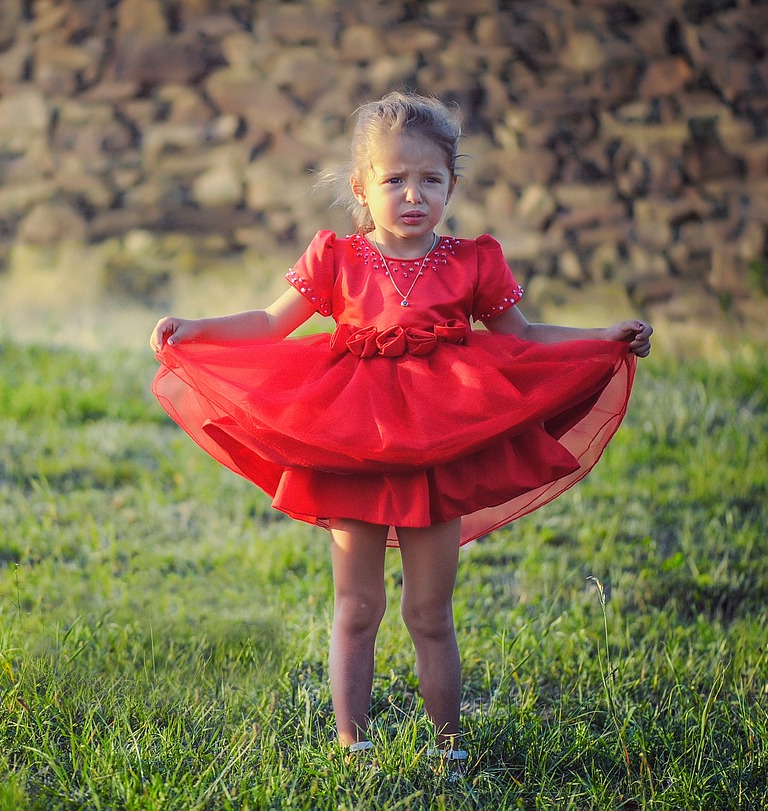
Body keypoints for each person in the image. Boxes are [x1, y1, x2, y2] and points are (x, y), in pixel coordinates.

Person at [149, 91, 652, 771]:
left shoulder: (474, 262)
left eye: (431, 179)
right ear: (361, 187)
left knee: (429, 611)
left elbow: (525, 338)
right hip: (351, 444)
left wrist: (601, 337)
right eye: (394, 180)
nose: (413, 194)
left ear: (452, 184)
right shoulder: (337, 258)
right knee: (357, 605)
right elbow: (270, 324)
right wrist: (198, 329)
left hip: (440, 451)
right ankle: (352, 743)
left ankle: (450, 747)